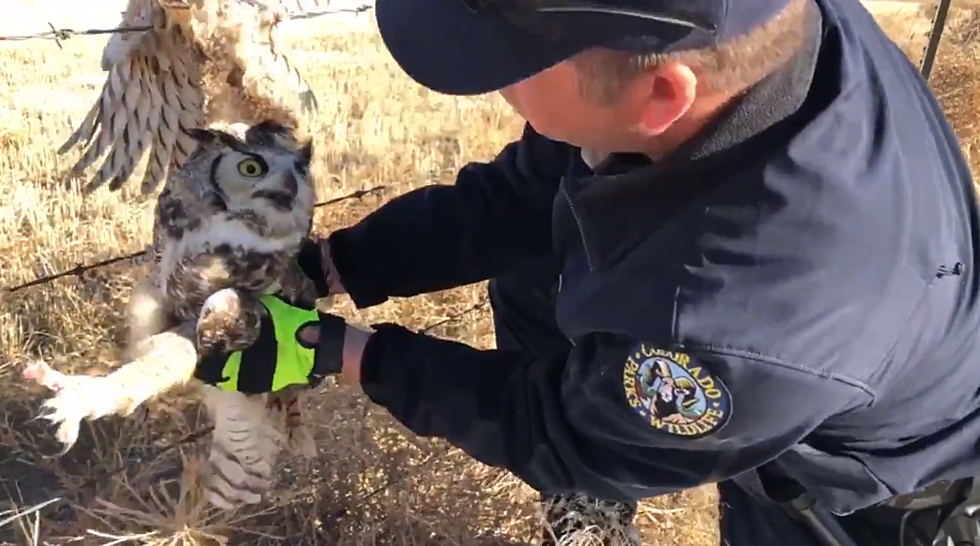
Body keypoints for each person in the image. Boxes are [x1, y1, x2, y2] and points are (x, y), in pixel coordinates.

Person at [192, 0, 980, 544]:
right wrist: (328, 265)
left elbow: (560, 429)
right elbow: (535, 190)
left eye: (514, 65)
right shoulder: (751, 29)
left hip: (866, 505)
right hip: (835, 363)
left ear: (662, 97)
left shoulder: (729, 328)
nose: (497, 85)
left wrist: (335, 352)